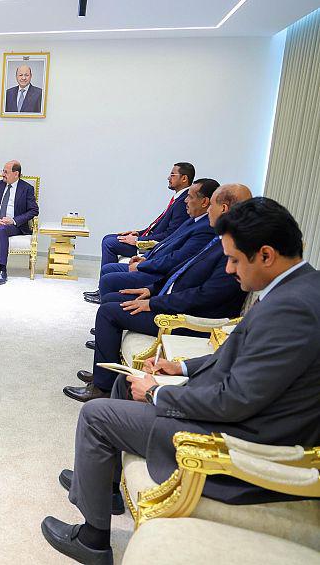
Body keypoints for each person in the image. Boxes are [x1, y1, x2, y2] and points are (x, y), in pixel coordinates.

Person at [43, 196, 320, 564]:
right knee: (125, 383)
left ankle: (92, 540)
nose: (229, 269)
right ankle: (105, 487)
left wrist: (158, 393)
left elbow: (234, 402)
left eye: (235, 260)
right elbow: (236, 352)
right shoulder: (297, 288)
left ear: (266, 255)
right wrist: (182, 368)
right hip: (234, 409)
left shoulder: (293, 309)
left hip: (238, 437)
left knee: (96, 416)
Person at [66, 184, 250, 403]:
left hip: (190, 319)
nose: (208, 209)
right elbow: (182, 269)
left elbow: (205, 296)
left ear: (224, 209)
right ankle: (106, 374)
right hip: (174, 301)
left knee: (108, 312)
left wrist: (154, 303)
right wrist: (151, 290)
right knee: (111, 299)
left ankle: (102, 387)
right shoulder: (219, 239)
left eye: (212, 205)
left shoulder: (233, 249)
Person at [86, 178, 219, 304]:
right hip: (152, 262)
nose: (186, 200)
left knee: (108, 279)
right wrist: (145, 257)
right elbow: (166, 242)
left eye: (190, 197)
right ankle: (107, 300)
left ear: (204, 202)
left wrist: (142, 262)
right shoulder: (194, 220)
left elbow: (177, 258)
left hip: (159, 274)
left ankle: (110, 306)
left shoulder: (205, 228)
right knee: (107, 268)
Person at [91, 162, 195, 276]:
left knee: (109, 243)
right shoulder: (178, 199)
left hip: (154, 246)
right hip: (149, 239)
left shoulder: (183, 202)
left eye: (172, 175)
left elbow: (170, 235)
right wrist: (138, 233)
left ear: (184, 178)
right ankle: (108, 280)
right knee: (108, 237)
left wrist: (138, 240)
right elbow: (158, 225)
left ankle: (106, 282)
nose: (168, 178)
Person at [0, 160, 39, 285]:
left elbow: (34, 210)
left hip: (14, 225)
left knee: (2, 230)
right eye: (3, 171)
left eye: (6, 172)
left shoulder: (26, 188)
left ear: (16, 174)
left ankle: (2, 270)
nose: (3, 174)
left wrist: (14, 220)